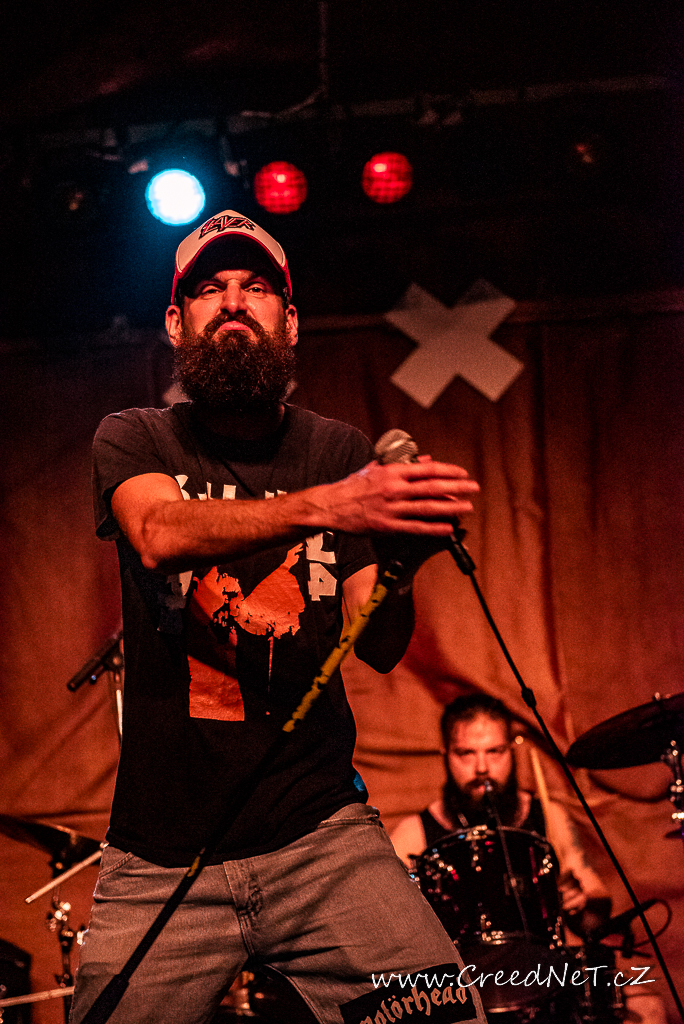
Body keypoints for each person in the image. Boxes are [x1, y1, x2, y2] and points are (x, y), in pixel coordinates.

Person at [69, 210, 488, 1024]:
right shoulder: (135, 437)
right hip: (162, 856)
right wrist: (332, 506)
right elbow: (157, 533)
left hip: (322, 839)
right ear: (175, 322)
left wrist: (402, 565)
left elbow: (379, 644)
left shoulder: (337, 451)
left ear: (289, 322)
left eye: (256, 287)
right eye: (210, 289)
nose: (233, 302)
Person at [390, 694, 667, 1024]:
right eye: (466, 753)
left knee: (648, 1008)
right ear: (446, 755)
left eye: (495, 751)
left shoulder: (547, 815)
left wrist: (580, 903)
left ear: (512, 751)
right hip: (463, 990)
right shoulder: (415, 833)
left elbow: (596, 914)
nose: (482, 768)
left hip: (551, 980)